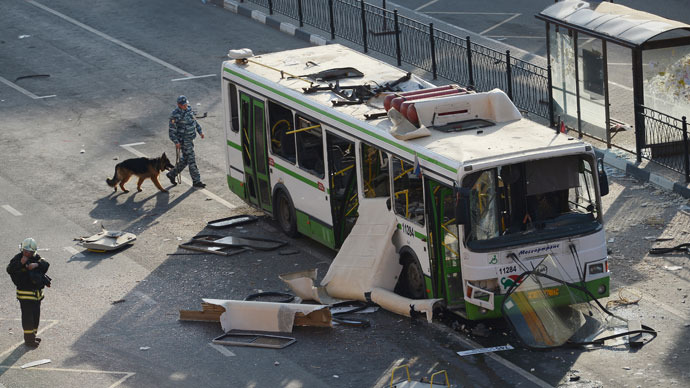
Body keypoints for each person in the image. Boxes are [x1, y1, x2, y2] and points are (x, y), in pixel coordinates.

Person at [6, 238, 50, 348]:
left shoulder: (36, 258)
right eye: (25, 251)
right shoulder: (17, 258)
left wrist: (36, 265)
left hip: (37, 295)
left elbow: (46, 264)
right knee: (28, 319)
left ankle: (33, 335)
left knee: (36, 317)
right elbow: (9, 269)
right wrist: (21, 263)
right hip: (25, 294)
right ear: (22, 249)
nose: (27, 253)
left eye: (30, 252)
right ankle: (29, 340)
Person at [166, 95, 206, 188]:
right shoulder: (175, 114)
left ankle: (172, 174)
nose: (185, 106)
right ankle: (196, 181)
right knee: (191, 160)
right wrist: (176, 142)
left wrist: (200, 131)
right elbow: (172, 131)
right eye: (183, 105)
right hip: (183, 140)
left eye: (186, 104)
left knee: (186, 160)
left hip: (190, 138)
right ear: (178, 104)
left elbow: (194, 122)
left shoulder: (189, 110)